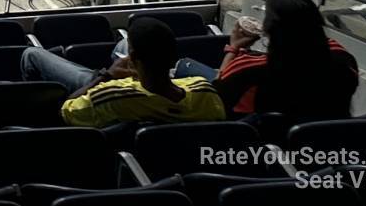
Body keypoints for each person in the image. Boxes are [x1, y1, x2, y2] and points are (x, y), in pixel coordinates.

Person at [19, 14, 225, 125]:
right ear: (173, 57)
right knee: (123, 44)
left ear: (134, 59)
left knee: (32, 55)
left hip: (106, 84)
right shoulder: (204, 91)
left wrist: (106, 76)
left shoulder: (109, 97)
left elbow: (65, 109)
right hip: (152, 80)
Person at [214, 0, 359, 119]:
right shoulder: (344, 60)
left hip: (265, 144)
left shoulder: (249, 69)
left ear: (269, 28)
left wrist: (233, 49)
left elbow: (214, 101)